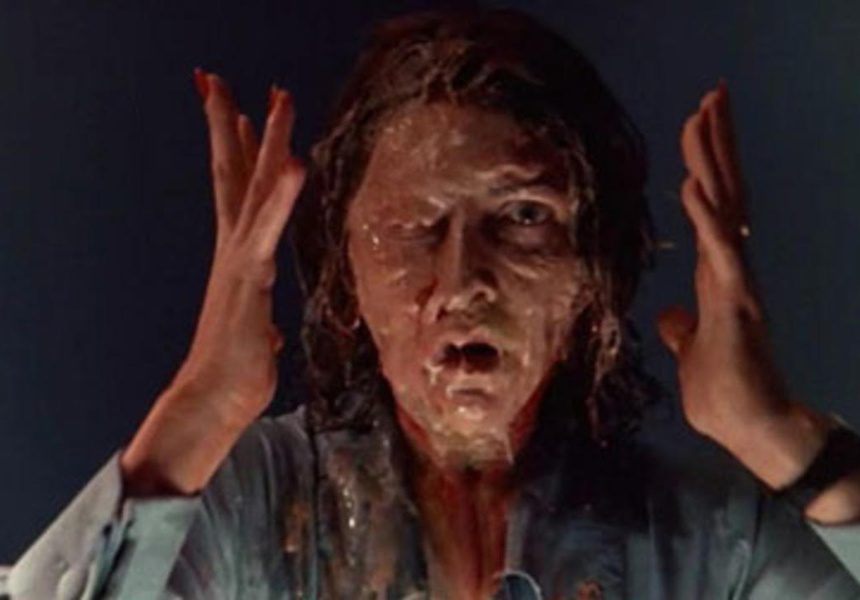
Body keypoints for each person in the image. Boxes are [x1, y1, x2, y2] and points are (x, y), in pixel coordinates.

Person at [4, 8, 860, 599]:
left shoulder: (705, 538)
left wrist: (784, 443)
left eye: (523, 217)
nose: (461, 283)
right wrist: (196, 412)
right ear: (345, 277)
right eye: (410, 227)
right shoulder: (246, 506)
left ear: (593, 272)